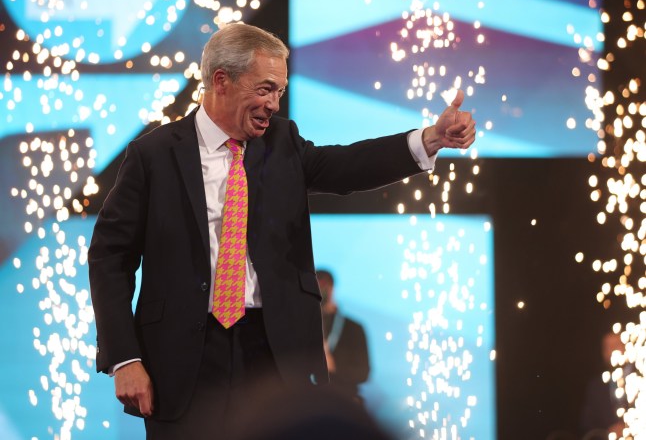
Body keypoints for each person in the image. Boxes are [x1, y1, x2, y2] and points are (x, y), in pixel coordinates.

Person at [88, 23, 475, 439]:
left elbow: (347, 166)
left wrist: (430, 139)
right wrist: (124, 358)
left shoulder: (283, 142)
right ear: (221, 80)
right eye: (265, 89)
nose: (274, 104)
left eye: (280, 92)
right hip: (184, 358)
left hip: (274, 350)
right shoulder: (153, 154)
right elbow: (110, 256)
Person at [316, 269, 370, 404]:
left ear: (332, 289)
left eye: (325, 286)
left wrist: (334, 367)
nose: (321, 291)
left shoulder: (354, 328)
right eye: (317, 286)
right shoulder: (303, 325)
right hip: (309, 400)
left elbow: (363, 372)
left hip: (342, 399)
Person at [579, 331, 626, 439]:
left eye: (616, 345)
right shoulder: (595, 387)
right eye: (608, 347)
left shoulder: (641, 377)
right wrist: (608, 431)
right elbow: (586, 424)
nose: (613, 351)